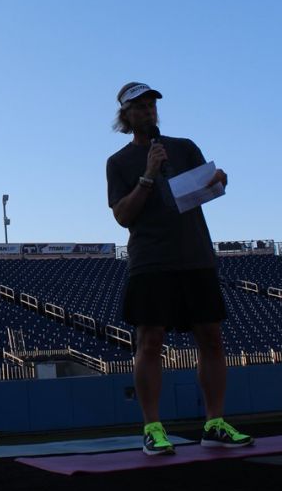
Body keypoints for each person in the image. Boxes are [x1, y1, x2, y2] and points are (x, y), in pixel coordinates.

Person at [106, 81, 253, 454]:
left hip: (195, 255)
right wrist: (147, 175)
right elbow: (123, 216)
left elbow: (206, 185)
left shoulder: (184, 147)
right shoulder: (119, 162)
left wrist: (219, 179)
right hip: (150, 260)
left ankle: (215, 423)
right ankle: (153, 428)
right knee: (150, 341)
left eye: (151, 104)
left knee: (211, 337)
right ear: (126, 115)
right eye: (139, 107)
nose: (148, 111)